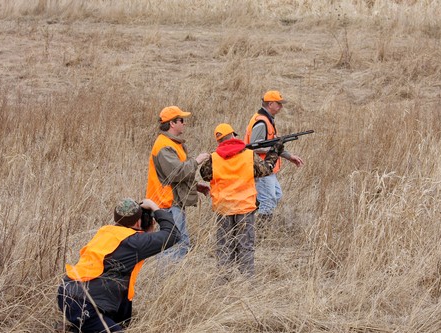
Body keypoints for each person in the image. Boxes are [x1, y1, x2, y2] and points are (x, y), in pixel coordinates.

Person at [57, 198, 180, 333]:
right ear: (139, 221)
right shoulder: (135, 242)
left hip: (66, 293)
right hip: (84, 304)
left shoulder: (106, 232)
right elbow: (172, 234)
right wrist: (155, 208)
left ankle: (73, 329)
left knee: (119, 322)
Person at [199, 123, 282, 277]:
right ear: (233, 135)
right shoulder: (248, 155)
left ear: (219, 141)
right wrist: (275, 151)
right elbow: (265, 169)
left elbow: (204, 174)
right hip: (244, 207)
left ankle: (224, 279)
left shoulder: (214, 158)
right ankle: (247, 281)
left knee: (224, 245)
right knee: (245, 245)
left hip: (223, 208)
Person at [146, 106, 210, 260]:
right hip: (167, 203)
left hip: (172, 201)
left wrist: (196, 187)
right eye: (182, 120)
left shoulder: (173, 143)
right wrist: (197, 161)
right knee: (174, 245)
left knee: (178, 242)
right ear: (172, 124)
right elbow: (176, 173)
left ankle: (169, 280)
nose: (184, 123)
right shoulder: (164, 146)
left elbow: (173, 176)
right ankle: (165, 280)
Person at [244, 90, 304, 225]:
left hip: (268, 168)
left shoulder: (268, 120)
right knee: (268, 199)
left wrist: (289, 156)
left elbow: (273, 144)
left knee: (276, 195)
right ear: (270, 104)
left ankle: (250, 220)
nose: (281, 107)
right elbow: (252, 146)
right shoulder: (261, 122)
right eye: (279, 104)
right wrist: (273, 149)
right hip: (262, 168)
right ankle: (262, 232)